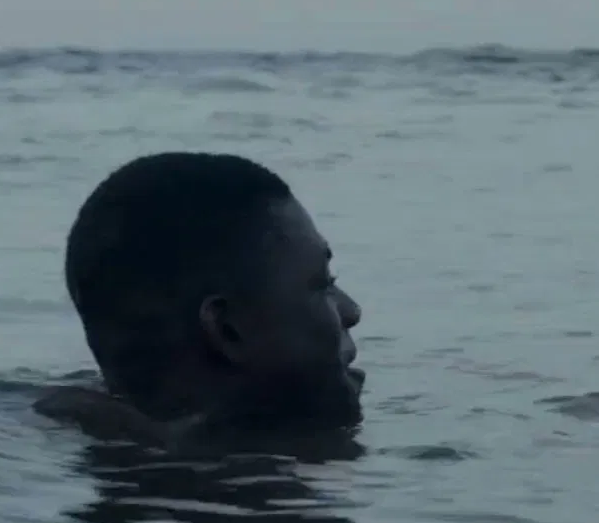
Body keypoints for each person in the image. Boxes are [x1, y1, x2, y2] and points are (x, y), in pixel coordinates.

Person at [36, 152, 365, 449]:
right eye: (323, 284)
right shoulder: (251, 489)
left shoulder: (77, 437)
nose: (352, 311)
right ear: (228, 329)